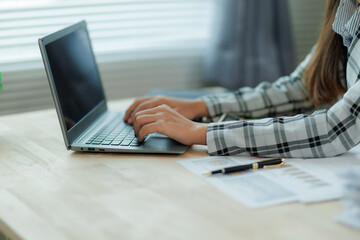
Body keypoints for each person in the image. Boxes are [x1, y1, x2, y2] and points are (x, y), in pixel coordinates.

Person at [124, 0, 360, 158]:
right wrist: (199, 106)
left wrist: (201, 132)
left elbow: (336, 130)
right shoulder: (349, 9)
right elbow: (299, 88)